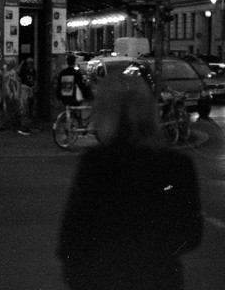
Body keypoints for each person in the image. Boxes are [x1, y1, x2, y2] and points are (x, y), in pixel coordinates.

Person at [57, 75, 203, 290]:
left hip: (106, 279)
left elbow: (72, 238)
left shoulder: (97, 165)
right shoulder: (177, 165)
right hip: (160, 279)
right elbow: (190, 234)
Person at [16, 57, 36, 135]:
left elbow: (34, 80)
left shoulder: (33, 71)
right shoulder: (24, 71)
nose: (30, 65)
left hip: (31, 89)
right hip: (25, 89)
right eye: (29, 63)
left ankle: (27, 125)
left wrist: (34, 86)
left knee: (30, 107)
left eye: (31, 63)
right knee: (24, 107)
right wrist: (22, 63)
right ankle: (23, 126)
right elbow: (18, 71)